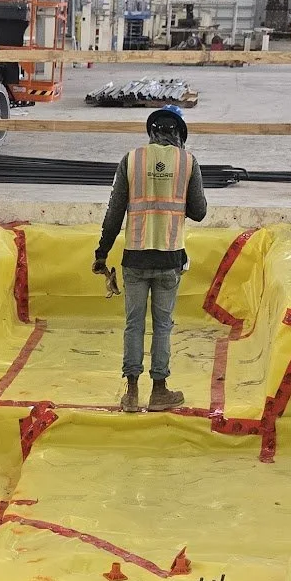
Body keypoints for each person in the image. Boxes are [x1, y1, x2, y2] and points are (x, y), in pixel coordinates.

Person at [92, 104, 208, 413]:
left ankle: (131, 393)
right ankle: (159, 391)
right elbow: (199, 211)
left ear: (152, 131)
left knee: (133, 325)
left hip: (135, 258)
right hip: (169, 259)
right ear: (180, 135)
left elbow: (114, 213)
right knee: (162, 326)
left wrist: (101, 253)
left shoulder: (131, 160)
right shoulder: (188, 162)